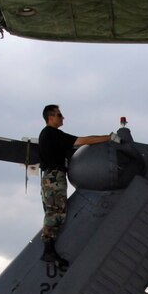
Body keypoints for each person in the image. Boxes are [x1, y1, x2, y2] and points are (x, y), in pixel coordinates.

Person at [38, 104, 113, 266]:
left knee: (56, 210)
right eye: (59, 115)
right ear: (51, 118)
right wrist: (108, 138)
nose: (62, 118)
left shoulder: (49, 135)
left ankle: (49, 248)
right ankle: (48, 250)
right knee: (56, 211)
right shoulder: (52, 134)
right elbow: (82, 141)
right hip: (54, 178)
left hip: (52, 177)